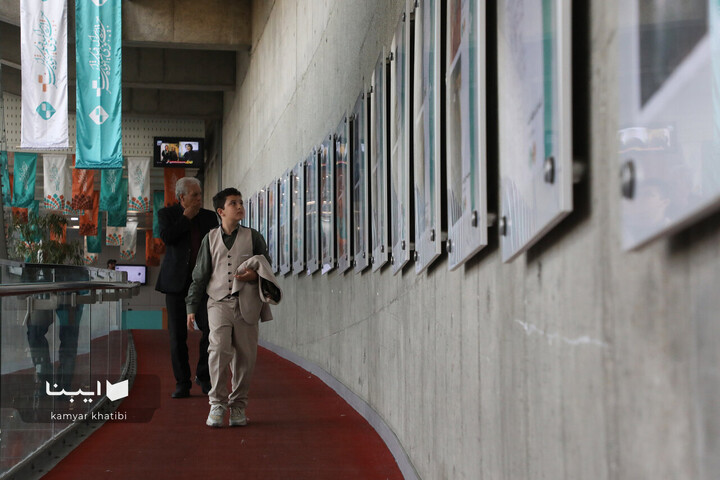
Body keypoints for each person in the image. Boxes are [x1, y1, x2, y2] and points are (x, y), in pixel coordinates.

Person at [186, 187, 272, 427]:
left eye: (241, 202)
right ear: (221, 211)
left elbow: (267, 268)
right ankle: (217, 403)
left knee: (245, 357)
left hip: (247, 303)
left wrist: (253, 276)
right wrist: (191, 307)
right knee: (218, 350)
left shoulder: (253, 236)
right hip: (218, 303)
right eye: (234, 203)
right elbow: (200, 274)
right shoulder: (210, 238)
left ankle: (238, 406)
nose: (240, 206)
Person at [155, 177, 218, 398]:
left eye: (200, 194)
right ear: (182, 197)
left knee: (210, 330)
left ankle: (204, 375)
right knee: (177, 336)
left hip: (202, 286)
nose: (199, 199)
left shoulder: (210, 217)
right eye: (194, 195)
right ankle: (182, 382)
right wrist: (185, 218)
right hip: (175, 285)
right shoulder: (166, 215)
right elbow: (167, 238)